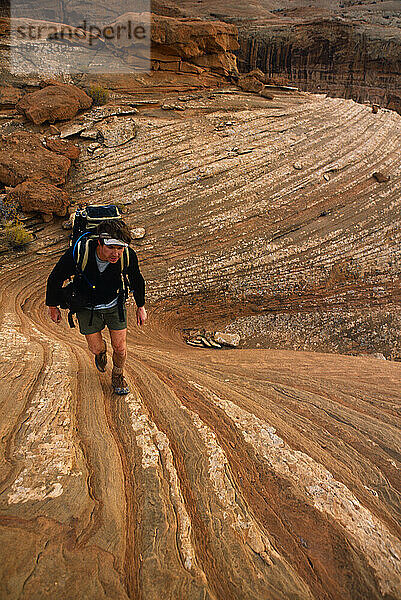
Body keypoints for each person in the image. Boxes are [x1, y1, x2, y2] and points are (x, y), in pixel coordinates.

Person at [46, 219, 147, 395]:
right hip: (87, 306)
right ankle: (101, 353)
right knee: (96, 348)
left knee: (120, 347)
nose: (116, 253)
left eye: (120, 248)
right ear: (99, 242)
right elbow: (55, 277)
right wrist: (52, 306)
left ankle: (117, 375)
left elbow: (137, 279)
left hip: (115, 303)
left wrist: (141, 306)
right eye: (111, 248)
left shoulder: (128, 256)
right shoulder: (80, 252)